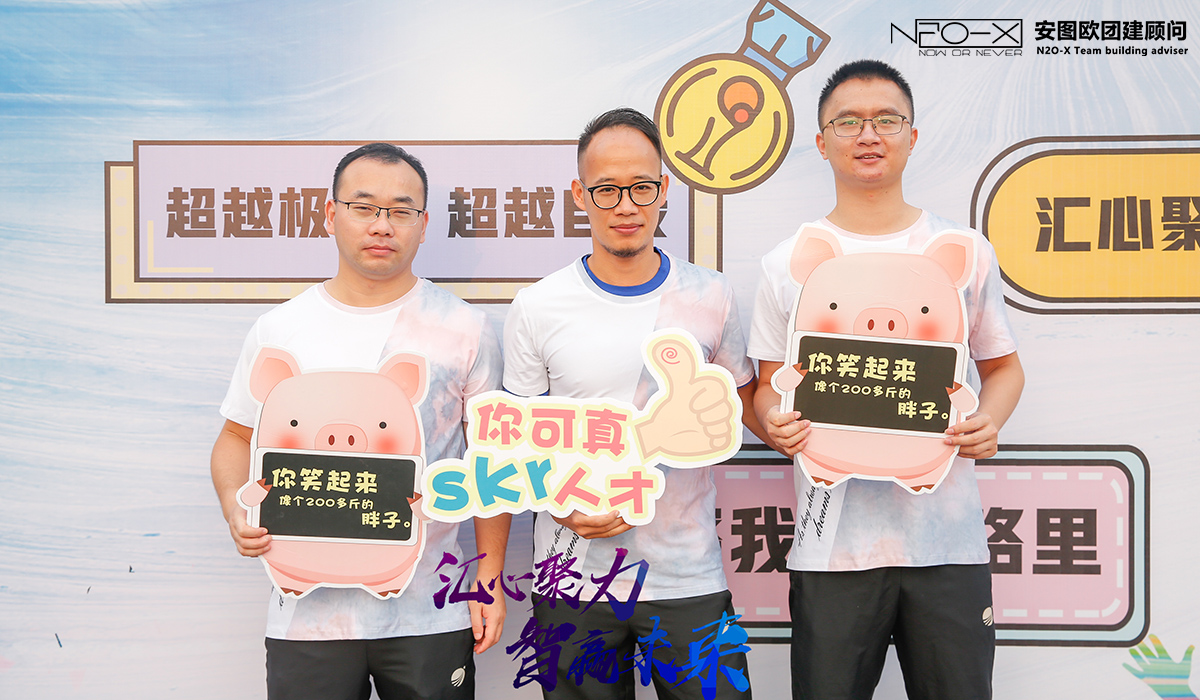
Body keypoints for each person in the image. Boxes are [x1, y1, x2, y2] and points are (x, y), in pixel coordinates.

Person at [749, 60, 1025, 700]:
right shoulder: (786, 264)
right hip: (832, 547)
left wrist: (989, 420)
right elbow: (764, 386)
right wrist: (774, 424)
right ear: (822, 143)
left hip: (947, 543)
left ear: (912, 135)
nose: (868, 135)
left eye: (886, 120)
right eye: (847, 122)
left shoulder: (963, 252)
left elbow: (1002, 368)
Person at [210, 142, 510, 699]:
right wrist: (235, 507)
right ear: (331, 214)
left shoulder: (465, 329)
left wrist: (488, 578)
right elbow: (234, 437)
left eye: (401, 211)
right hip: (307, 614)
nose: (382, 225)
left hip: (430, 607)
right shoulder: (281, 329)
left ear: (424, 225)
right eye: (364, 207)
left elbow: (492, 459)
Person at [503, 107, 767, 700]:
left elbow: (746, 405)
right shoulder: (538, 305)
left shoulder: (710, 295)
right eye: (607, 189)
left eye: (641, 187)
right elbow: (515, 438)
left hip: (686, 575)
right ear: (580, 195)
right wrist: (557, 497)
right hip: (571, 580)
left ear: (663, 189)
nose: (626, 205)